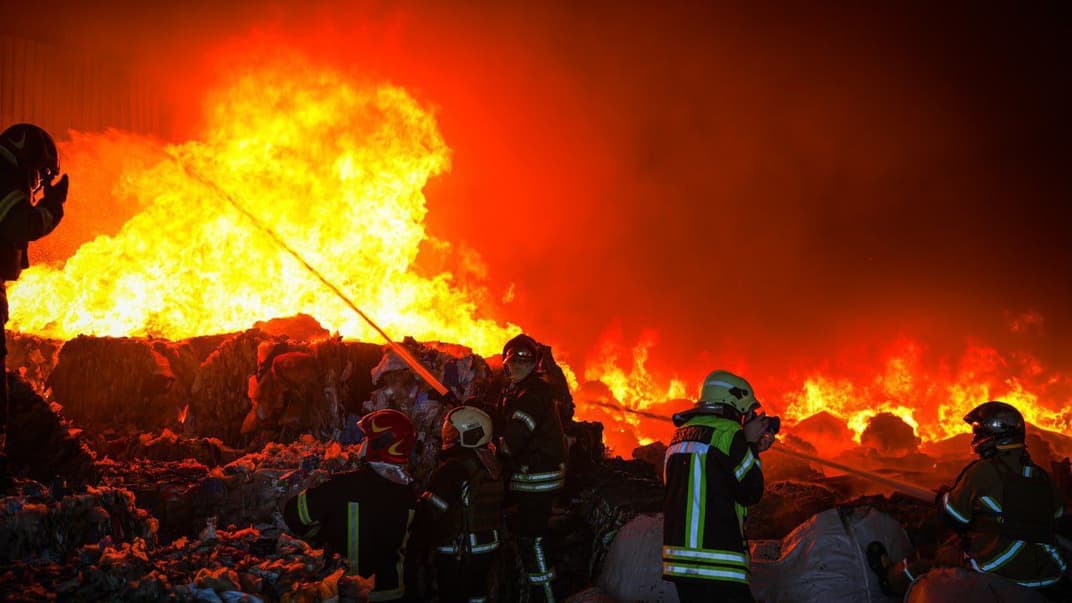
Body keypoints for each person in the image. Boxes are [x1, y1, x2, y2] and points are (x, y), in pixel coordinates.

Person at [869, 401, 1067, 598]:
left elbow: (955, 517)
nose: (976, 437)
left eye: (979, 431)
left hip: (1003, 566)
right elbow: (1056, 517)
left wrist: (944, 498)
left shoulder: (982, 471)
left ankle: (892, 581)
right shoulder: (1042, 476)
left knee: (933, 556)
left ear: (994, 434)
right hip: (1050, 568)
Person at [662, 370, 773, 603]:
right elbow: (751, 491)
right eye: (748, 412)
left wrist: (748, 446)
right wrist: (750, 447)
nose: (749, 418)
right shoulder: (731, 435)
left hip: (680, 563)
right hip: (719, 561)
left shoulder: (679, 436)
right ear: (734, 404)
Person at [283, 409, 418, 602]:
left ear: (379, 444)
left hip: (349, 593)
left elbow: (295, 513)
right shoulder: (410, 496)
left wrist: (321, 534)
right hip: (395, 593)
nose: (363, 444)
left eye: (367, 439)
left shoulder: (344, 486)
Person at [0, 123, 67, 434]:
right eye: (40, 172)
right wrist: (52, 207)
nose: (38, 182)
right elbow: (21, 225)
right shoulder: (5, 178)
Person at [497, 333, 567, 602]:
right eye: (514, 362)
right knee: (530, 539)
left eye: (523, 363)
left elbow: (512, 442)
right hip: (534, 477)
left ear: (534, 365)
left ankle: (546, 596)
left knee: (534, 541)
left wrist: (492, 444)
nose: (517, 367)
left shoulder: (531, 396)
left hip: (536, 479)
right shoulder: (526, 391)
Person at [413, 405, 503, 603]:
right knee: (478, 596)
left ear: (469, 434)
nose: (448, 435)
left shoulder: (453, 469)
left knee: (453, 596)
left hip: (459, 551)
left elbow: (430, 512)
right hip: (488, 547)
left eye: (454, 431)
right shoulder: (491, 464)